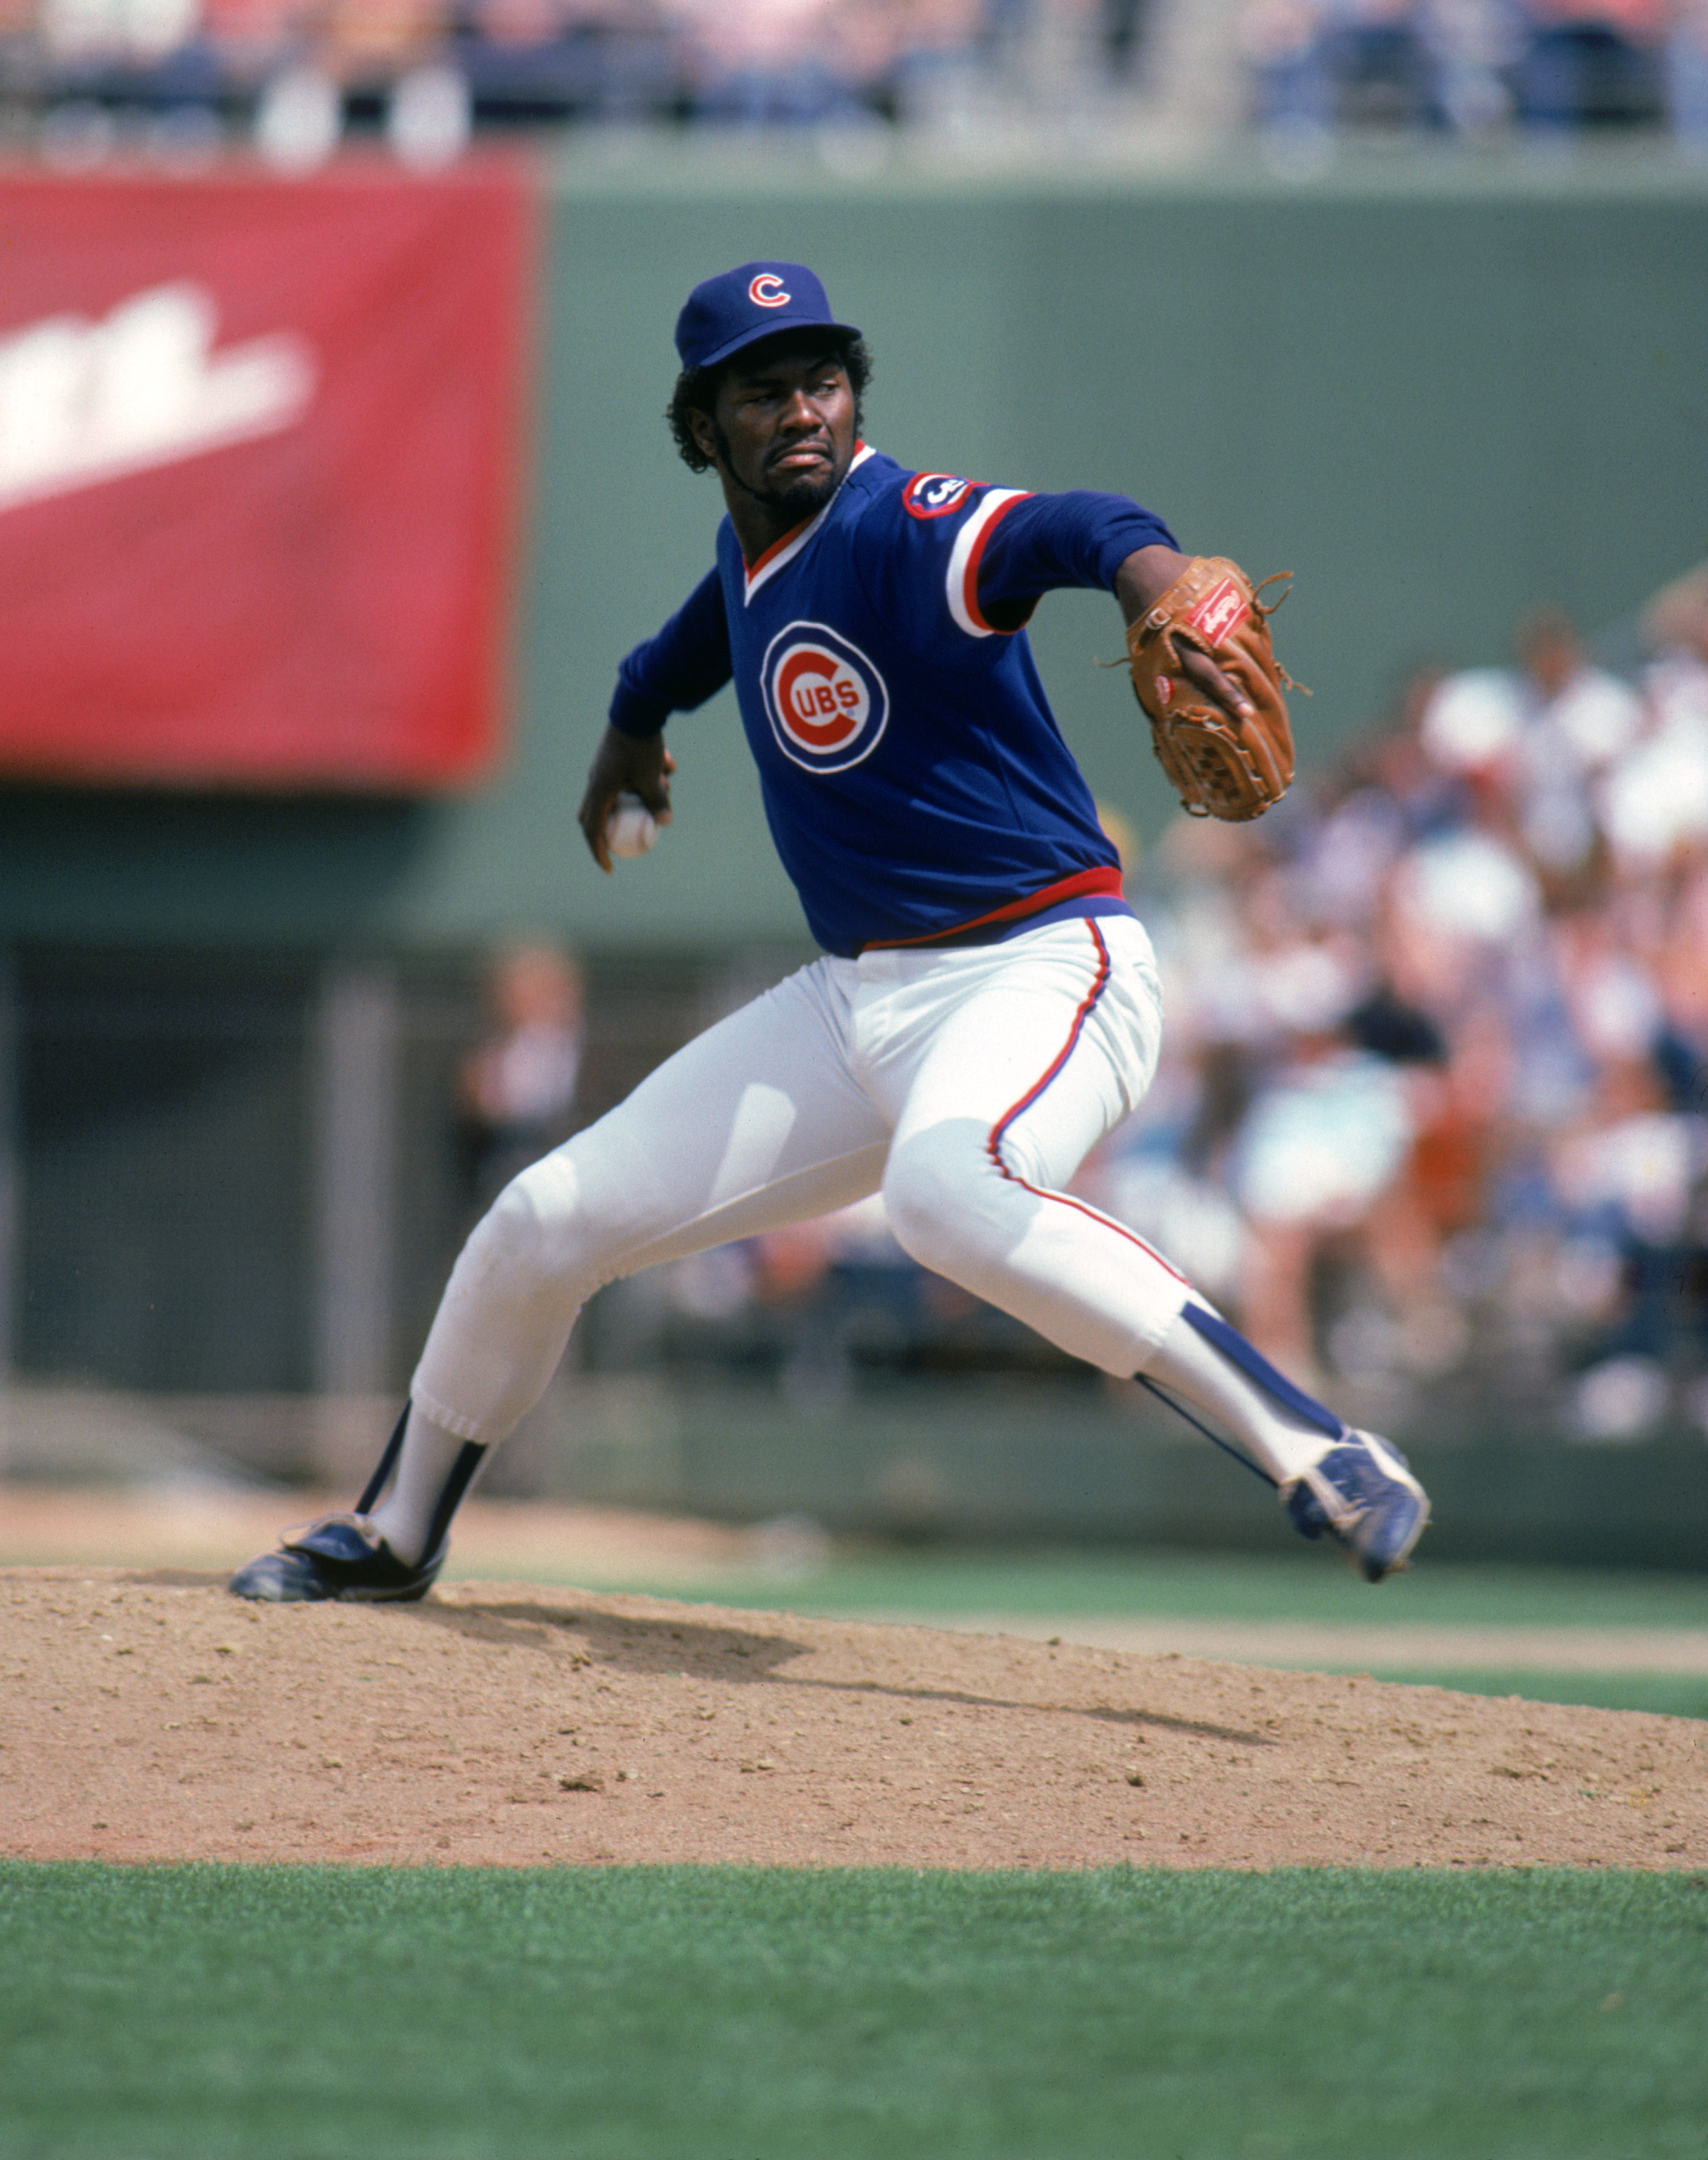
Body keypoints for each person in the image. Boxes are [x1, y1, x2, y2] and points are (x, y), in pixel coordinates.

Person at [231, 261, 1431, 1605]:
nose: (803, 407)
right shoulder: (754, 559)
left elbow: (1071, 524)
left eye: (823, 378)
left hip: (1044, 964)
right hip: (854, 1001)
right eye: (764, 389)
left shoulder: (903, 521)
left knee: (945, 1190)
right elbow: (682, 649)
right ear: (704, 430)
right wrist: (629, 734)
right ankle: (396, 1534)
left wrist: (1152, 579)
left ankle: (1321, 1450)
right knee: (538, 1220)